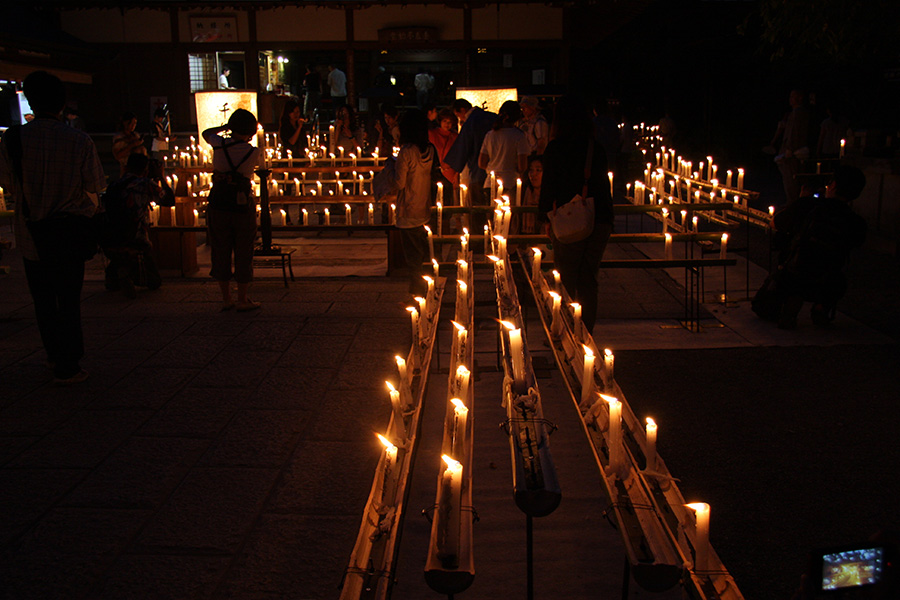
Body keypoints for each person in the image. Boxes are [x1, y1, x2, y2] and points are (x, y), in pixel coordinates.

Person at [0, 71, 107, 384]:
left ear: (30, 100)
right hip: (68, 230)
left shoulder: (13, 139)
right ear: (62, 104)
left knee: (43, 298)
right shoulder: (78, 140)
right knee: (68, 298)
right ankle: (69, 362)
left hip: (31, 231)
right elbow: (94, 185)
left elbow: (7, 183)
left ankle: (52, 354)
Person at [538, 95, 614, 337]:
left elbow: (548, 186)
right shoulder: (595, 147)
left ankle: (568, 329)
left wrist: (544, 218)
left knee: (568, 275)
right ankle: (586, 331)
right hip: (599, 217)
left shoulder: (556, 148)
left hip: (568, 219)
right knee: (589, 277)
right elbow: (604, 185)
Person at [767, 165, 867, 329]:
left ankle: (790, 312)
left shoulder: (809, 206)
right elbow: (855, 244)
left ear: (833, 185)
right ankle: (821, 309)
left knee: (797, 273)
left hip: (796, 275)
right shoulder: (855, 222)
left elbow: (776, 223)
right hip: (830, 279)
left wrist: (799, 202)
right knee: (834, 275)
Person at [203, 109, 264, 312]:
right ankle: (243, 298)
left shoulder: (219, 144)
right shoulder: (252, 152)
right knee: (243, 250)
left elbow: (206, 133)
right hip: (241, 203)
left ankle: (226, 298)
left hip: (219, 202)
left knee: (220, 248)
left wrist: (225, 128)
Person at [100, 153, 164, 297]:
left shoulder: (115, 185)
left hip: (111, 238)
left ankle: (116, 273)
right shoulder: (144, 184)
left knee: (116, 278)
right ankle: (126, 271)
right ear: (146, 169)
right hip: (137, 238)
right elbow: (168, 199)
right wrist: (160, 176)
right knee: (155, 282)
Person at [393, 109, 437, 297]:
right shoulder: (430, 150)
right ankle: (427, 289)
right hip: (424, 205)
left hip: (408, 208)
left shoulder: (407, 151)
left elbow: (399, 183)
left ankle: (417, 294)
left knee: (412, 257)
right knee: (423, 253)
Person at [443, 98, 497, 210]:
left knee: (478, 207)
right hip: (497, 164)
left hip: (478, 166)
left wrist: (450, 165)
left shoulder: (471, 121)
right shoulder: (493, 117)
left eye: (458, 115)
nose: (460, 119)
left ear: (462, 110)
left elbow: (463, 145)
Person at [479, 100, 529, 201]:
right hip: (510, 182)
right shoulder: (519, 136)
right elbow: (522, 166)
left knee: (492, 215)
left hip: (490, 183)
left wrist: (492, 169)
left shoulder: (490, 135)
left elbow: (481, 163)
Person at [775, 89, 811, 204]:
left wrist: (789, 149)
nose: (790, 99)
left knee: (791, 183)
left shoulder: (798, 113)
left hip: (792, 154)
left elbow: (794, 132)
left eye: (793, 97)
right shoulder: (795, 113)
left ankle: (793, 206)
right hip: (792, 152)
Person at [112, 112, 147, 177]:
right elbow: (118, 155)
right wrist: (132, 145)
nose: (133, 126)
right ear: (125, 123)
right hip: (126, 168)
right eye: (132, 123)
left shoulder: (135, 135)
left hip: (139, 169)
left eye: (135, 123)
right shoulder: (119, 137)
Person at [520, 155, 543, 234]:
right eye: (531, 170)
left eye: (538, 170)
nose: (534, 174)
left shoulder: (551, 197)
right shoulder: (523, 194)